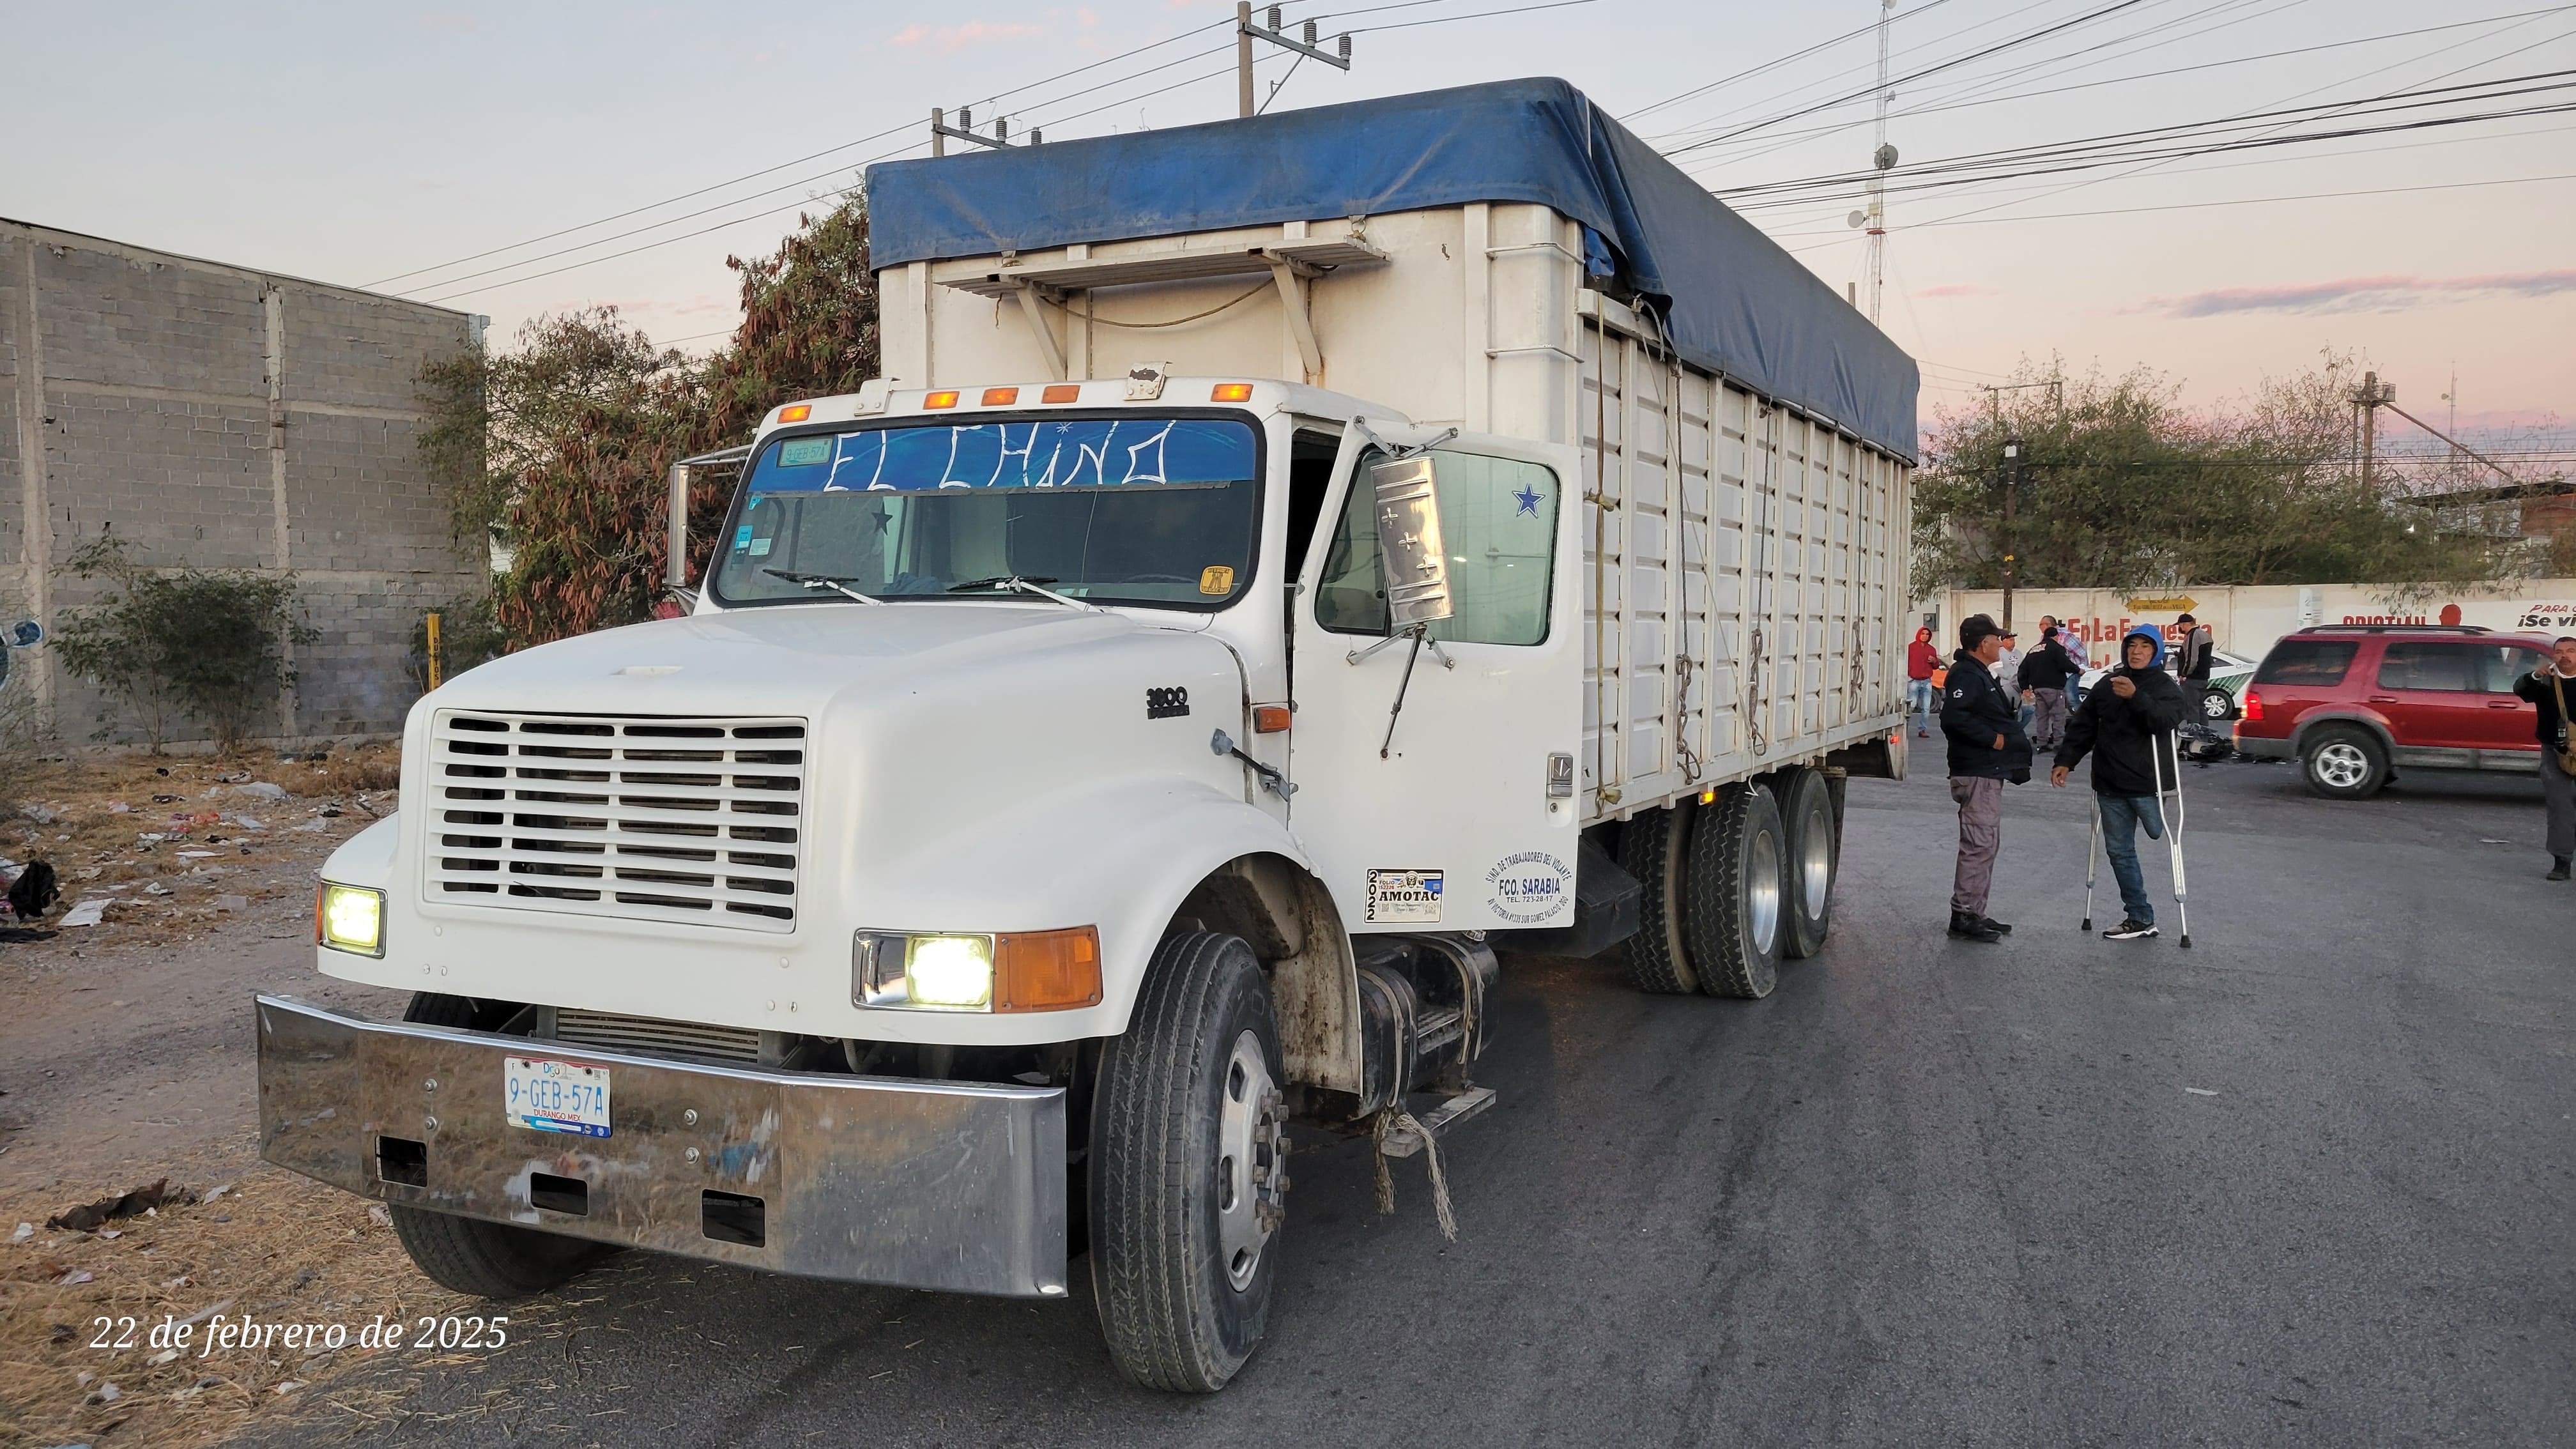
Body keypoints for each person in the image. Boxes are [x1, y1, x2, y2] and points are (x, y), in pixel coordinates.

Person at [2051, 629, 2186, 939]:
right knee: (2119, 851)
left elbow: (2165, 721)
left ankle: (2142, 916)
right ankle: (2140, 916)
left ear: (2157, 652)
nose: (2136, 652)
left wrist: (2136, 697)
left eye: (2145, 647)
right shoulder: (2107, 684)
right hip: (2111, 782)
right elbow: (2085, 725)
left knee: (2157, 834)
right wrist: (2066, 760)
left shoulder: (2166, 688)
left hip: (2148, 784)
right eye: (2132, 646)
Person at [1941, 613, 2032, 943]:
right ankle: (1964, 914)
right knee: (1979, 843)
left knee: (1986, 843)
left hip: (1987, 770)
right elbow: (1954, 718)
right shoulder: (1966, 674)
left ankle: (1974, 910)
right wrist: (1995, 740)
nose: (2001, 645)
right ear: (1984, 644)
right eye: (1997, 640)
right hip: (1977, 770)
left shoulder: (1978, 672)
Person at [2510, 634, 2576, 880]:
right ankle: (2562, 862)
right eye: (2559, 652)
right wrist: (2536, 676)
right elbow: (2520, 689)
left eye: (2571, 651)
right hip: (2555, 752)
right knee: (2561, 808)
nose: (2565, 656)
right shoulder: (2546, 682)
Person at [2018, 624, 2079, 751]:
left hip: (2038, 689)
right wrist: (2078, 670)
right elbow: (2065, 664)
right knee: (2059, 716)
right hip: (2054, 688)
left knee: (2042, 717)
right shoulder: (2056, 648)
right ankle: (2058, 743)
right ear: (2055, 636)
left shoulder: (2033, 650)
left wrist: (2025, 686)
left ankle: (2042, 743)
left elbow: (2022, 669)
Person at [2175, 611, 2216, 714]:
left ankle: (2194, 728)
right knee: (2201, 705)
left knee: (2192, 705)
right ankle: (2204, 728)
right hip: (2203, 677)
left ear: (2184, 624)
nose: (2180, 628)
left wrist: (2184, 674)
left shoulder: (2193, 636)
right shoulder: (2204, 635)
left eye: (2180, 625)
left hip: (2193, 678)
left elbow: (2192, 658)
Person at [1906, 625, 1940, 738]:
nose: (1925, 636)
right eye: (1923, 634)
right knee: (1911, 705)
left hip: (1926, 681)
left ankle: (1922, 730)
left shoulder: (1932, 649)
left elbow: (1936, 666)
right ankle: (1904, 727)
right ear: (1919, 634)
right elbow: (1905, 662)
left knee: (1926, 708)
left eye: (1927, 634)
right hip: (1914, 681)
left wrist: (1935, 661)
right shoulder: (1911, 647)